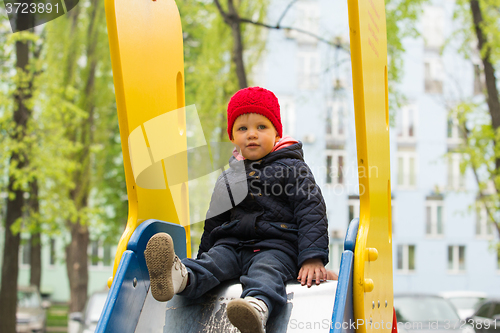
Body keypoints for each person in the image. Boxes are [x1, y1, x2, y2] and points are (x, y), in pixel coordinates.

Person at [144, 87, 329, 333]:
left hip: (277, 246)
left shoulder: (293, 168)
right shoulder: (228, 177)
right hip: (232, 246)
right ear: (232, 136)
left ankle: (256, 308)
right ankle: (180, 276)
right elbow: (214, 222)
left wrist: (312, 257)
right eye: (243, 128)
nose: (251, 134)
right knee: (212, 262)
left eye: (261, 127)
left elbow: (311, 210)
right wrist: (205, 254)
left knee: (266, 270)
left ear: (277, 133)